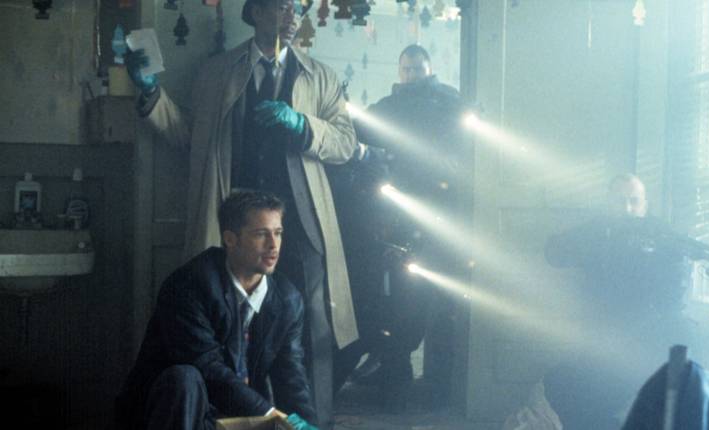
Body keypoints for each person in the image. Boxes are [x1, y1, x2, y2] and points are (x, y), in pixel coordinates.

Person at [124, 1, 358, 427]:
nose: (292, 17)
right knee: (222, 315)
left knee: (308, 327)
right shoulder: (217, 72)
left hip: (300, 220)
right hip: (235, 220)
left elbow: (345, 143)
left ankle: (310, 423)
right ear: (255, 12)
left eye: (296, 9)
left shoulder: (320, 76)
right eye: (281, 7)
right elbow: (189, 135)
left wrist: (303, 125)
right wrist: (151, 95)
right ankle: (226, 418)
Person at [331, 44, 469, 410]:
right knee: (402, 299)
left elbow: (470, 139)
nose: (412, 75)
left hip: (443, 212)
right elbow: (357, 128)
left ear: (429, 68)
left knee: (440, 299)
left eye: (418, 68)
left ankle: (435, 383)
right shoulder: (389, 107)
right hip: (400, 213)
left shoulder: (450, 102)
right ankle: (395, 377)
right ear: (399, 71)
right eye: (406, 69)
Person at [115, 191, 316, 430]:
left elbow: (291, 376)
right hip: (177, 411)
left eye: (278, 233)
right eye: (261, 234)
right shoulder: (188, 285)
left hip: (235, 413)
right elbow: (206, 366)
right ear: (230, 239)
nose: (273, 245)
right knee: (185, 377)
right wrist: (269, 413)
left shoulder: (288, 299)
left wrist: (306, 426)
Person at [543, 174, 693, 430]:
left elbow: (674, 294)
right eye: (619, 201)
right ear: (608, 203)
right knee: (578, 393)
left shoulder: (662, 235)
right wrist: (596, 243)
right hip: (600, 330)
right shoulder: (596, 230)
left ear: (645, 204)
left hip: (649, 334)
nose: (627, 208)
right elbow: (555, 253)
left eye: (634, 201)